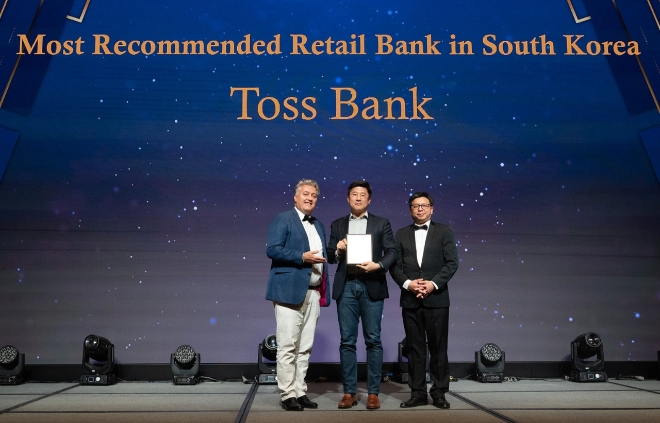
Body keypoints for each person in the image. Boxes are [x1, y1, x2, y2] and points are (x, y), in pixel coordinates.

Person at [327, 180, 397, 410]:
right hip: (347, 285)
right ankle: (349, 392)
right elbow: (330, 255)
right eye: (354, 194)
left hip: (371, 284)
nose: (358, 198)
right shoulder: (337, 224)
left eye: (362, 194)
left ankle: (373, 393)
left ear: (369, 199)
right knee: (347, 340)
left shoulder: (381, 223)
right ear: (348, 199)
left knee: (373, 340)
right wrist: (338, 250)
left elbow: (392, 251)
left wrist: (378, 265)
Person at [265, 179, 331, 411]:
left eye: (314, 195)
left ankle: (300, 391)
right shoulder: (283, 218)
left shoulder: (319, 225)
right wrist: (302, 257)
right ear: (295, 197)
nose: (310, 198)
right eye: (305, 193)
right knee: (287, 346)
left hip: (313, 293)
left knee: (305, 347)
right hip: (288, 291)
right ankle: (287, 395)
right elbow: (272, 249)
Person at [390, 191, 459, 409]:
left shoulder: (444, 231)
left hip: (437, 299)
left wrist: (432, 284)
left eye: (424, 205)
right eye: (415, 206)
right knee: (414, 349)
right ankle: (417, 393)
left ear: (432, 209)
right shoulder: (401, 234)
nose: (420, 209)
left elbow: (452, 263)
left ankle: (439, 393)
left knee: (439, 349)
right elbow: (394, 266)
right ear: (410, 210)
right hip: (410, 300)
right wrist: (408, 284)